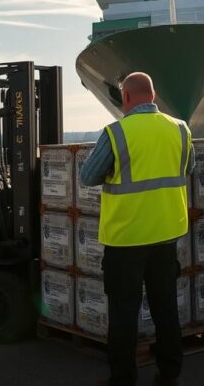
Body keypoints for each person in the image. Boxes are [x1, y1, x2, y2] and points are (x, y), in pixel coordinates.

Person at [79, 72, 193, 386]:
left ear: (126, 97)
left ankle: (123, 378)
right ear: (153, 95)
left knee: (124, 313)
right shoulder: (180, 129)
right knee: (165, 307)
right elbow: (188, 167)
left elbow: (87, 176)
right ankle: (170, 373)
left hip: (126, 237)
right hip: (166, 234)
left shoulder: (116, 132)